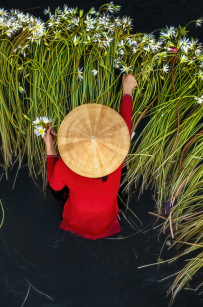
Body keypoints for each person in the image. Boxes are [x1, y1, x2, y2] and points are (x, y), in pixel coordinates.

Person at [42, 74, 137, 240]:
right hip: (107, 218)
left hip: (76, 218)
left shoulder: (65, 166)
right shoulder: (118, 153)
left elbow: (55, 185)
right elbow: (125, 123)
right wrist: (127, 90)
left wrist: (49, 145)